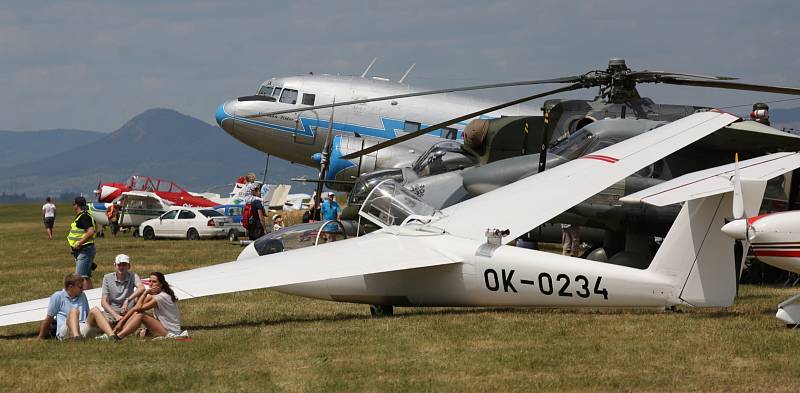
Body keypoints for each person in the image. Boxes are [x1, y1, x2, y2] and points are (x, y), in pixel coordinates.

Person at [37, 273, 116, 340]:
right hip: (66, 332)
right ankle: (76, 338)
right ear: (70, 287)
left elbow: (88, 316)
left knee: (95, 310)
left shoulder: (82, 295)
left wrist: (103, 321)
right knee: (74, 311)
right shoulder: (58, 296)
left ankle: (112, 336)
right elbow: (48, 319)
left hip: (83, 329)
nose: (83, 289)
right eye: (80, 287)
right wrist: (40, 337)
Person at [114, 272, 184, 340]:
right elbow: (136, 307)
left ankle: (118, 336)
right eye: (149, 281)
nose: (150, 284)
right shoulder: (158, 294)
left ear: (161, 284)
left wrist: (145, 293)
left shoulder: (160, 297)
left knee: (140, 315)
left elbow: (138, 308)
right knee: (137, 313)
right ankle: (118, 332)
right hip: (165, 327)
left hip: (171, 332)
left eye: (154, 282)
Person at [97, 254, 145, 328]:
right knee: (103, 321)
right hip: (112, 310)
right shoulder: (107, 278)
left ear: (129, 266)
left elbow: (141, 288)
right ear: (115, 265)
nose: (121, 267)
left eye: (124, 265)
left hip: (128, 309)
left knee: (143, 296)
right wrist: (115, 315)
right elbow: (103, 302)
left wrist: (127, 300)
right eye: (119, 265)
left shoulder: (133, 276)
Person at [68, 196, 96, 290]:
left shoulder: (84, 216)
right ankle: (91, 296)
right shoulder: (84, 215)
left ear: (77, 205)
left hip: (85, 251)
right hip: (84, 250)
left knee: (78, 278)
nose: (73, 206)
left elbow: (91, 232)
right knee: (86, 277)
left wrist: (79, 243)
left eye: (73, 204)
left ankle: (81, 299)